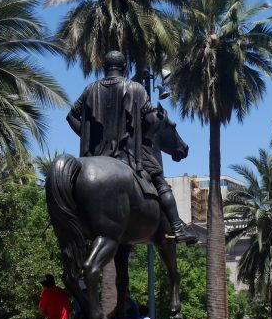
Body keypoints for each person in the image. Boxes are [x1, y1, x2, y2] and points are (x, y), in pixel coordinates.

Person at [66, 50, 196, 244]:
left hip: (95, 154)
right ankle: (177, 228)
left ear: (105, 67)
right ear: (124, 68)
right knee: (160, 183)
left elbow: (71, 116)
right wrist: (143, 139)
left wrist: (90, 138)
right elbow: (152, 119)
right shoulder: (135, 88)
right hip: (127, 154)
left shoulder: (90, 89)